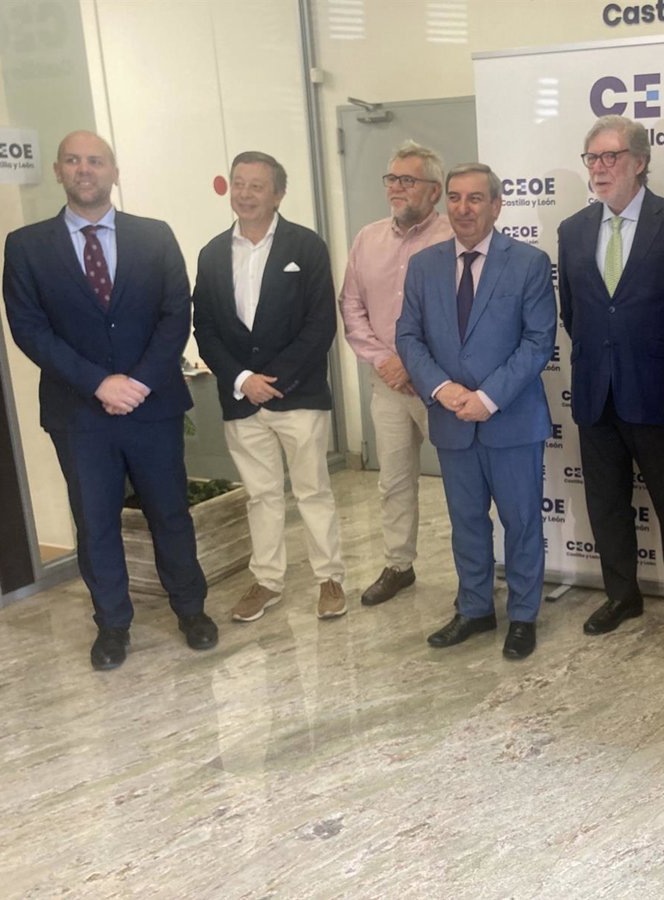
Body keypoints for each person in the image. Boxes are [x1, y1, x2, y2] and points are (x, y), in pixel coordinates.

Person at [2, 130, 218, 669]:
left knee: (170, 513)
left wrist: (138, 383)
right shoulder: (26, 246)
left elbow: (176, 314)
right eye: (73, 160)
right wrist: (99, 383)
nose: (85, 169)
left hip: (153, 407)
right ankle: (113, 625)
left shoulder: (154, 236)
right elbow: (29, 329)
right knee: (95, 522)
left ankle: (191, 610)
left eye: (95, 161)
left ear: (114, 172)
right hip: (79, 414)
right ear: (58, 171)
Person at [557, 115, 664, 656]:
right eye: (592, 158)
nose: (600, 168)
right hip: (596, 394)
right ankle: (622, 596)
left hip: (660, 396)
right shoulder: (572, 229)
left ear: (640, 162)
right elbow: (574, 312)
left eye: (611, 156)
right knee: (606, 506)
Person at [396, 163, 556, 660]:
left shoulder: (528, 262)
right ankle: (475, 608)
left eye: (475, 198)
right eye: (455, 197)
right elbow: (408, 336)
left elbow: (538, 342)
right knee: (466, 522)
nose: (463, 208)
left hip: (510, 420)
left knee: (522, 523)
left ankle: (523, 616)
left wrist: (486, 398)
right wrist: (442, 388)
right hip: (450, 420)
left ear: (497, 205)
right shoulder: (424, 265)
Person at [192, 151, 348, 622]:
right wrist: (243, 379)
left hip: (298, 395)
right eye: (238, 183)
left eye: (256, 186)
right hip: (241, 399)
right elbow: (206, 328)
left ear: (278, 195)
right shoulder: (212, 253)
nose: (245, 194)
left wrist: (273, 381)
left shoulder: (307, 247)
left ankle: (329, 578)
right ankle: (266, 581)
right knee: (260, 495)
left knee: (312, 490)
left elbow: (320, 325)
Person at [339, 141, 452, 607]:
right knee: (394, 480)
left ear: (434, 190)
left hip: (442, 385)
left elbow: (461, 316)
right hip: (387, 384)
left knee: (463, 482)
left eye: (408, 180)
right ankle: (398, 565)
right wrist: (384, 360)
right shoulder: (367, 239)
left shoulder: (454, 237)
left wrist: (413, 362)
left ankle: (477, 569)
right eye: (392, 179)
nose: (396, 188)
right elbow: (351, 306)